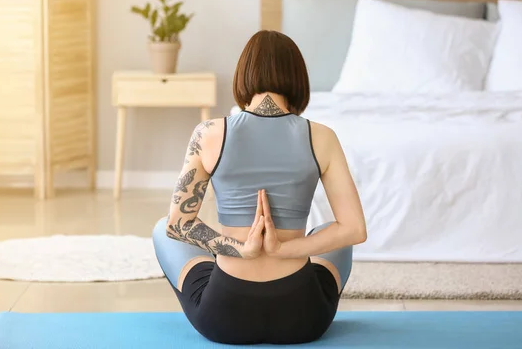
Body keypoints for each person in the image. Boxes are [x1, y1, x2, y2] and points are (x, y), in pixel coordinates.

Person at [152, 30, 367, 345]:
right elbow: (355, 229)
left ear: (243, 77)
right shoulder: (322, 137)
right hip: (303, 318)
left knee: (162, 228)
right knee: (333, 233)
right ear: (298, 79)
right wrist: (285, 249)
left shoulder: (209, 133)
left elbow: (178, 224)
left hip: (224, 318)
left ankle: (230, 262)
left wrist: (240, 249)